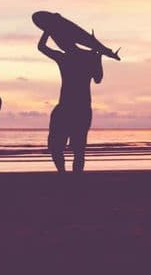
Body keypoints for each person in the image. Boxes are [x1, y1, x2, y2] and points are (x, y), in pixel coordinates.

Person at [38, 31, 105, 173]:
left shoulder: (64, 58)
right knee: (75, 149)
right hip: (79, 109)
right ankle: (69, 177)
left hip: (70, 108)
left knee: (69, 148)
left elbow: (41, 47)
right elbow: (98, 79)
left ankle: (64, 175)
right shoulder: (86, 58)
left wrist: (48, 30)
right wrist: (98, 57)